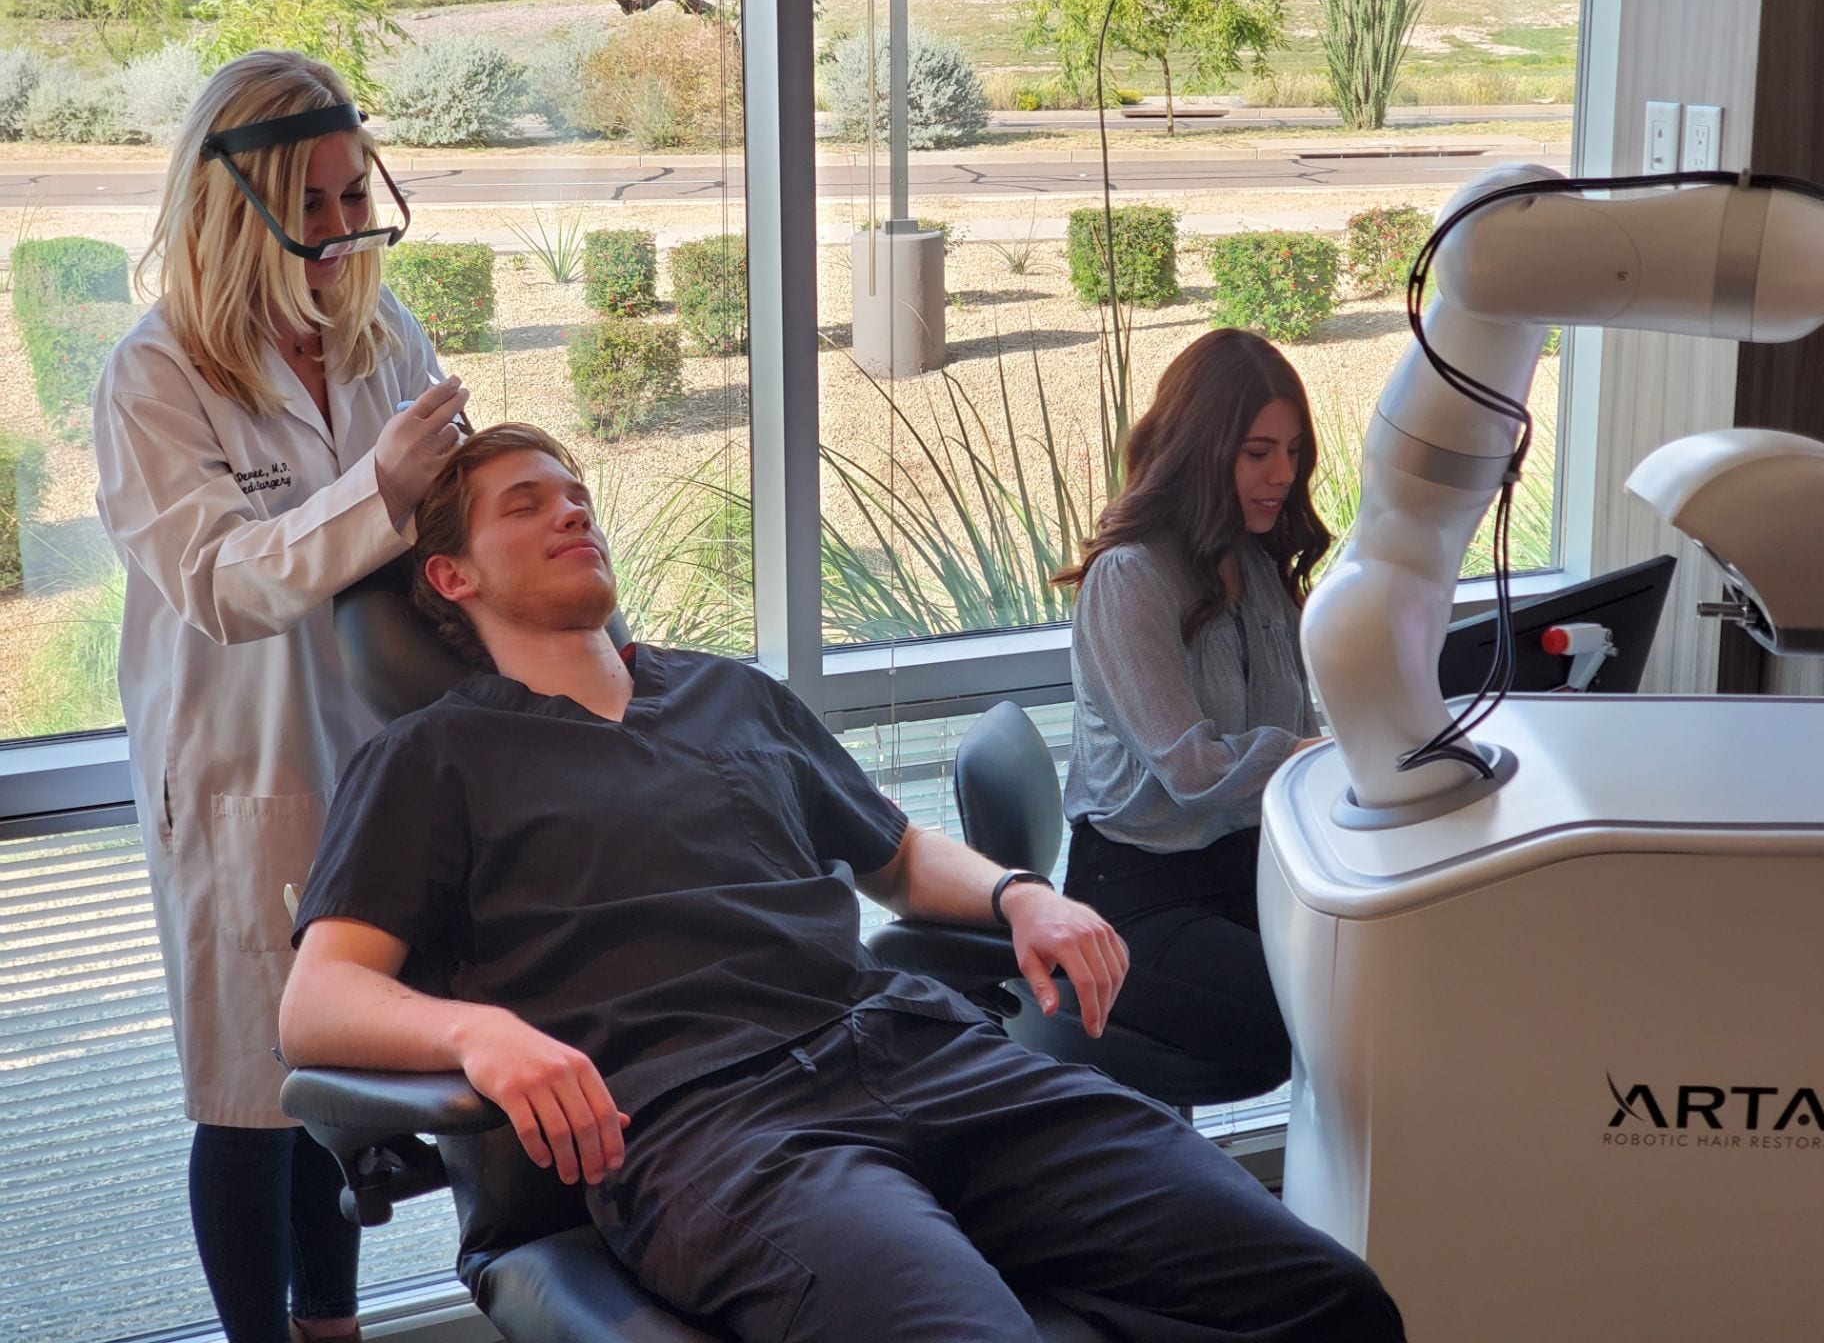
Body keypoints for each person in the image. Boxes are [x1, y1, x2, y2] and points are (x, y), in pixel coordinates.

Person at [280, 423, 1403, 1343]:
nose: (570, 509)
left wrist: (1023, 893)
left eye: (575, 493)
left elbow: (903, 860)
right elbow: (317, 1000)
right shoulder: (431, 759)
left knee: (1330, 1303)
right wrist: (480, 1035)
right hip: (713, 1128)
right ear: (450, 575)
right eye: (524, 502)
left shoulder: (732, 696)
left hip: (924, 1056)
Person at [93, 50, 472, 1343]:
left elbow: (432, 550)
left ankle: (335, 1325)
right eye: (307, 205)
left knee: (343, 1084)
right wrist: (383, 484)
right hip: (241, 775)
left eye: (351, 195)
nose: (339, 229)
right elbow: (218, 583)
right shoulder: (158, 378)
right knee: (253, 1094)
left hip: (382, 764)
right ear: (229, 209)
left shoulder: (387, 336)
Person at [1052, 328, 1332, 1088]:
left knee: (1388, 972)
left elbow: (1300, 730)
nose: (1282, 474)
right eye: (1257, 452)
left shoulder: (1256, 561)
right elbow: (1195, 772)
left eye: (1294, 451)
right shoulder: (1129, 579)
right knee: (1322, 1019)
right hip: (1137, 901)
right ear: (1202, 449)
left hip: (1243, 869)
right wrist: (1323, 756)